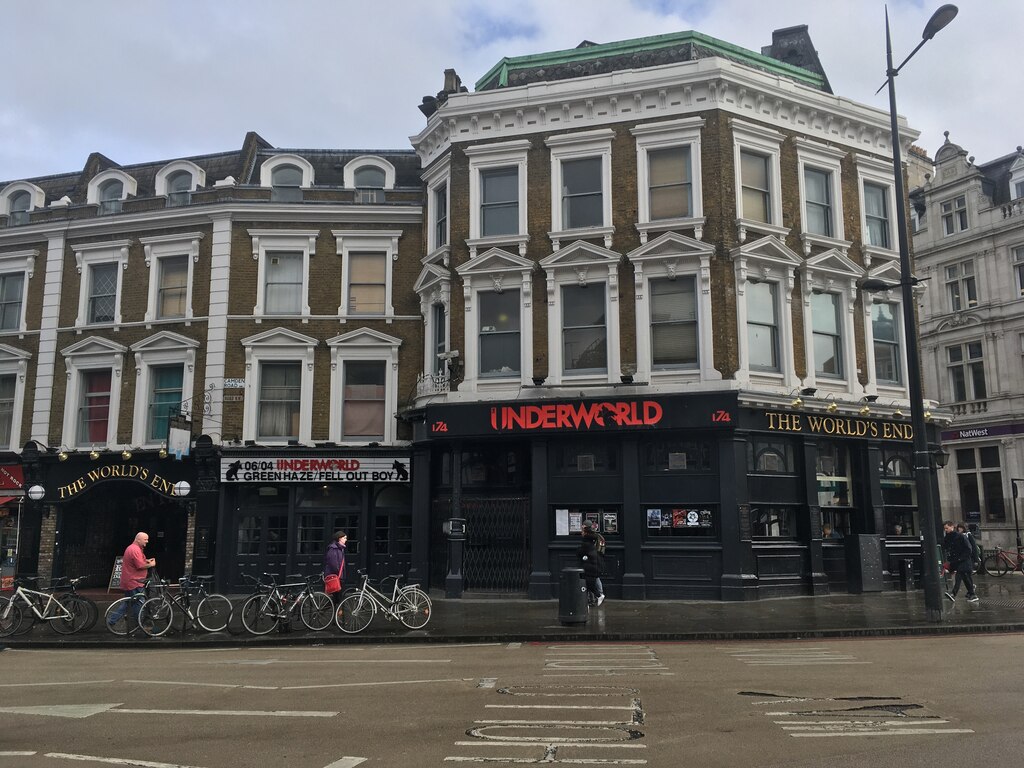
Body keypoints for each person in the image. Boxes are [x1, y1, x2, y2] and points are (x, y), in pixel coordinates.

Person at [106, 532, 156, 627]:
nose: (147, 541)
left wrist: (146, 560)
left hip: (130, 581)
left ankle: (112, 621)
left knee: (128, 602)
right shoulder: (135, 550)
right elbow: (140, 565)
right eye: (145, 539)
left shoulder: (133, 548)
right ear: (138, 539)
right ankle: (141, 625)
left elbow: (137, 562)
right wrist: (151, 564)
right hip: (134, 582)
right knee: (138, 603)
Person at [942, 520, 978, 604]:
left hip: (964, 560)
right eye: (945, 529)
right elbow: (946, 547)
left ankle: (953, 593)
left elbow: (969, 548)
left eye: (947, 528)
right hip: (958, 560)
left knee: (960, 575)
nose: (946, 530)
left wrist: (965, 558)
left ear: (952, 527)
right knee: (966, 578)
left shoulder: (960, 536)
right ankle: (972, 593)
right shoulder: (948, 537)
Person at [576, 531, 604, 607]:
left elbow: (579, 553)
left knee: (588, 584)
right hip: (593, 567)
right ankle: (590, 601)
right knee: (589, 584)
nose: (581, 533)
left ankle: (598, 596)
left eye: (583, 532)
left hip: (589, 568)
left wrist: (583, 556)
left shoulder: (586, 545)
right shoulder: (592, 545)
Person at [581, 521, 606, 601]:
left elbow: (599, 549)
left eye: (583, 525)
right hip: (591, 559)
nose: (582, 526)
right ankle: (593, 597)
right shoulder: (592, 536)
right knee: (592, 578)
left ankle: (599, 595)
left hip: (593, 560)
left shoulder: (594, 536)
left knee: (594, 577)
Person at [323, 531, 347, 606]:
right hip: (335, 577)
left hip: (338, 576)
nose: (346, 540)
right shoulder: (333, 549)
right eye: (344, 538)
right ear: (340, 539)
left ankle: (336, 614)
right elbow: (333, 564)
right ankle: (323, 612)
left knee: (337, 598)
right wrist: (338, 575)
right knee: (337, 598)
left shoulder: (340, 548)